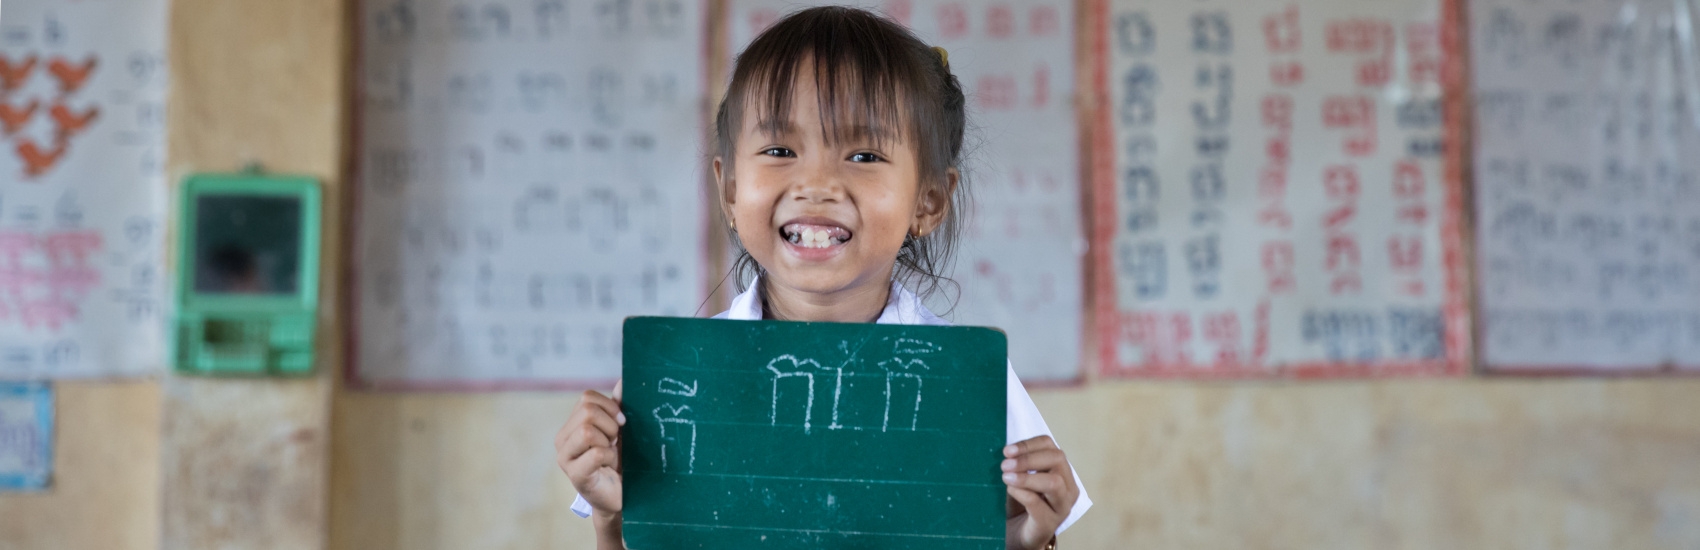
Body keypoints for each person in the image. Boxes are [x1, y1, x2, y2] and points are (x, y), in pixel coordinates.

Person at [555, 7, 1090, 549]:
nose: (816, 183)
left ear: (929, 201)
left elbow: (1003, 533)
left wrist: (1029, 539)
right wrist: (613, 521)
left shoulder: (969, 385)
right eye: (780, 151)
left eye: (864, 154)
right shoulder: (676, 383)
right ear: (732, 190)